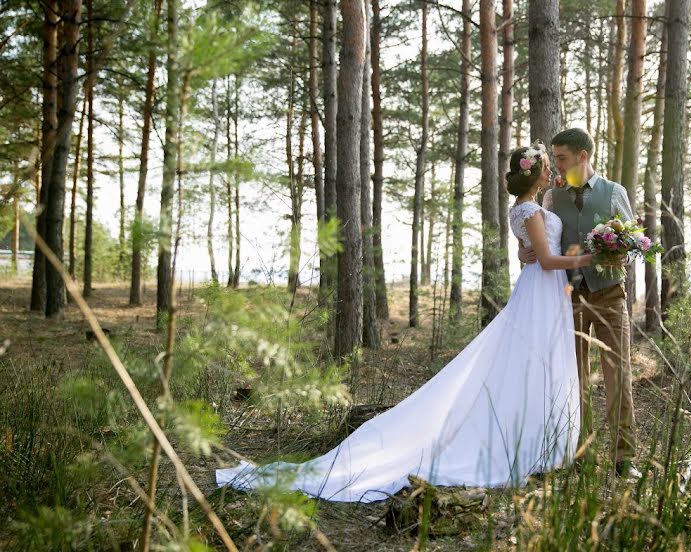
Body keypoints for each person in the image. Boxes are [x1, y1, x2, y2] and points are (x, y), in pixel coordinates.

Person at [216, 143, 596, 502]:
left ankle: (544, 441)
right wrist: (590, 258)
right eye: (547, 167)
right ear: (535, 175)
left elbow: (532, 252)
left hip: (548, 292)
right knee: (531, 362)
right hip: (542, 289)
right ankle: (528, 444)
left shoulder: (533, 207)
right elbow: (545, 259)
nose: (551, 173)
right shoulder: (528, 211)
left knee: (539, 363)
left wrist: (529, 249)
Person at [518, 127, 641, 480]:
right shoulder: (552, 199)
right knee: (573, 379)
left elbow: (632, 245)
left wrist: (618, 253)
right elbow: (538, 238)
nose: (555, 166)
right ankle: (578, 454)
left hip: (610, 295)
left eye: (561, 158)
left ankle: (623, 458)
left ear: (582, 157)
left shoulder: (614, 192)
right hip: (566, 298)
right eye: (554, 159)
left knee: (618, 375)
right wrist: (522, 251)